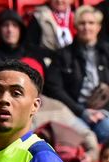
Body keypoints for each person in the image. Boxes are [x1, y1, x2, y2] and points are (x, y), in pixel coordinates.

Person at [45, 6, 109, 143]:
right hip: (73, 113)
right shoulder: (62, 55)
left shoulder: (107, 52)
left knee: (105, 127)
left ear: (98, 27)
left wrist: (103, 112)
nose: (86, 27)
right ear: (75, 27)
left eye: (91, 23)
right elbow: (54, 88)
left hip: (104, 112)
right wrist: (81, 111)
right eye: (82, 23)